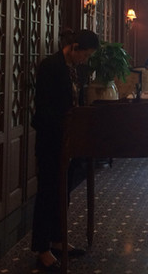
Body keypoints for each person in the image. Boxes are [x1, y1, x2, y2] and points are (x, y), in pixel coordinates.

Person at [31, 29, 100, 271]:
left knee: (63, 192)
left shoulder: (73, 69)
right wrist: (65, 124)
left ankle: (58, 239)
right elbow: (44, 107)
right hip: (51, 139)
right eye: (85, 54)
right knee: (48, 193)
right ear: (74, 47)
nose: (85, 60)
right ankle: (42, 248)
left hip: (68, 140)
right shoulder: (50, 66)